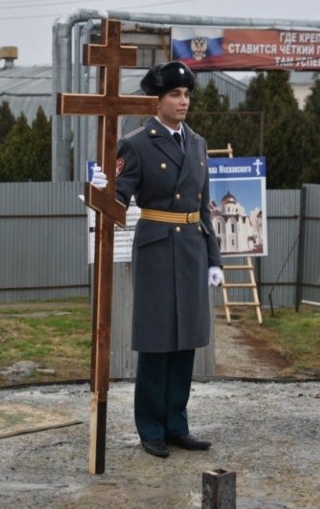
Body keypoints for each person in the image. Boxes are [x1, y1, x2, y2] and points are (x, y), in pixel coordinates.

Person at [90, 61, 223, 458]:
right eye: (174, 96)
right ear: (157, 101)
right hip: (156, 245)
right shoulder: (138, 142)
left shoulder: (196, 143)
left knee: (185, 343)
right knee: (156, 342)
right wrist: (102, 190)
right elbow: (119, 200)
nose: (183, 102)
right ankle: (150, 428)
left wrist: (213, 257)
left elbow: (203, 205)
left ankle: (176, 425)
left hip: (190, 248)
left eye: (186, 95)